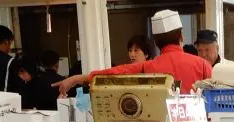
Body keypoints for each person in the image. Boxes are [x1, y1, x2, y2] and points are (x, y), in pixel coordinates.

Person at [54, 10, 211, 95]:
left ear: (156, 42)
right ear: (181, 36)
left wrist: (75, 78)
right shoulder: (203, 65)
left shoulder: (147, 67)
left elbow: (112, 74)